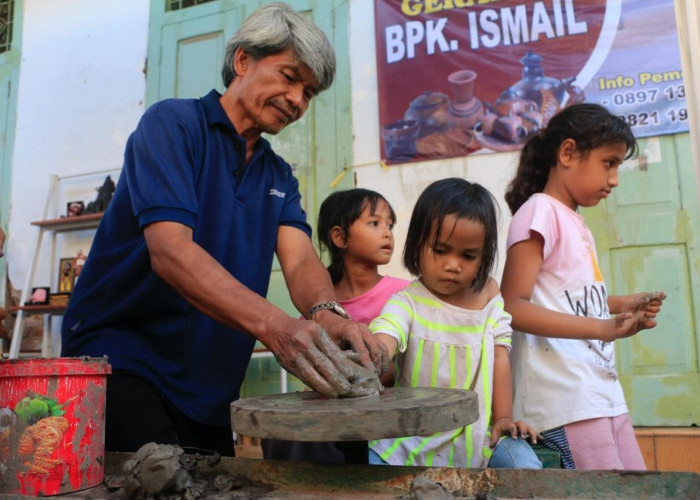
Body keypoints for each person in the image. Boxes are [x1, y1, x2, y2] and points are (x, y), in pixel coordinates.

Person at [60, 2, 388, 457]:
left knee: (213, 483)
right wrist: (276, 325)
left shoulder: (278, 175)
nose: (297, 100)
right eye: (290, 77)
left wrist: (328, 314)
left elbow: (298, 259)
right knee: (157, 480)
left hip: (208, 381)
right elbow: (170, 251)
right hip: (123, 361)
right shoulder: (172, 125)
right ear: (242, 61)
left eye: (309, 93)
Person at [500, 103, 666, 470]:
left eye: (618, 166)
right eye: (609, 163)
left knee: (634, 486)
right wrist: (604, 328)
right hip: (564, 398)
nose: (615, 179)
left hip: (599, 389)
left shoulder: (574, 220)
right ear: (568, 153)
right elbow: (512, 306)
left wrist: (622, 304)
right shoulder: (539, 211)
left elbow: (568, 296)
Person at [368, 178, 542, 468]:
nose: (453, 264)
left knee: (525, 466)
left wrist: (502, 418)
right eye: (440, 250)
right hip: (412, 435)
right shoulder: (408, 303)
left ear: (483, 256)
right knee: (371, 464)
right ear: (416, 244)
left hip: (478, 435)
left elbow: (500, 357)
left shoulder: (489, 304)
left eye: (468, 255)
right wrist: (372, 355)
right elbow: (386, 335)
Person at [262, 188, 409, 464]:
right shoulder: (318, 304)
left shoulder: (403, 296)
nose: (387, 232)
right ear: (340, 237)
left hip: (387, 416)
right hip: (334, 415)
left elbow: (400, 368)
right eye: (375, 223)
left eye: (390, 225)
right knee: (286, 437)